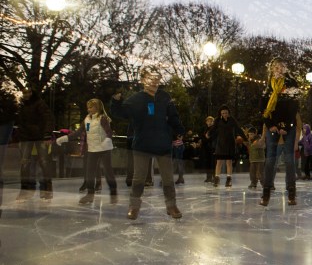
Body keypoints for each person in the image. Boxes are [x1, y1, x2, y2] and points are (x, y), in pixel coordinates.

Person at [111, 66, 185, 219]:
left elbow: (173, 116)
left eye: (157, 79)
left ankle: (172, 206)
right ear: (143, 80)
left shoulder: (165, 97)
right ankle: (134, 207)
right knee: (138, 179)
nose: (154, 82)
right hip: (142, 145)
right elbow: (121, 113)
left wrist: (179, 131)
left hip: (163, 144)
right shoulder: (136, 99)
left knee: (168, 179)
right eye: (151, 79)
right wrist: (116, 101)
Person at [56, 98, 118, 204]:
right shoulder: (87, 119)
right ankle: (90, 194)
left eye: (91, 107)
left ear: (97, 107)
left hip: (104, 149)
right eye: (88, 107)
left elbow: (109, 133)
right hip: (92, 149)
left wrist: (106, 141)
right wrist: (64, 139)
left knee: (108, 171)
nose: (88, 109)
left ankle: (113, 193)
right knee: (89, 172)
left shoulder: (102, 118)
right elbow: (78, 132)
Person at [259, 58, 302, 206]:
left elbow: (294, 108)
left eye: (281, 66)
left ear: (285, 68)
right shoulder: (268, 87)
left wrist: (287, 126)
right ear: (271, 69)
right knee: (270, 160)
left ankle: (291, 192)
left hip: (288, 127)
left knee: (290, 161)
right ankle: (266, 192)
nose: (278, 69)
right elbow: (263, 109)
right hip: (273, 127)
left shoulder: (292, 84)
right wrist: (271, 125)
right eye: (275, 66)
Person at [16, 88, 54, 201]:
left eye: (28, 92)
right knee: (25, 163)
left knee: (44, 163)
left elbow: (48, 118)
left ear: (33, 93)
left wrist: (47, 135)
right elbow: (21, 122)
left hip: (40, 137)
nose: (26, 94)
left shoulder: (40, 104)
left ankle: (47, 189)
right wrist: (21, 137)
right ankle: (25, 189)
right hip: (27, 138)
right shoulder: (23, 106)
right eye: (24, 92)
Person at [208, 105, 246, 187]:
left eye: (226, 113)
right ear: (220, 113)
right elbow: (213, 128)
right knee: (219, 162)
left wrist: (245, 138)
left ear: (228, 113)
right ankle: (217, 179)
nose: (224, 114)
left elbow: (238, 129)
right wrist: (209, 133)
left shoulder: (232, 120)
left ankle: (229, 179)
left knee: (229, 162)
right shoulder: (218, 120)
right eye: (223, 113)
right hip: (221, 143)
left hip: (230, 143)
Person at [200, 116, 216, 183]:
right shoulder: (205, 129)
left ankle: (214, 177)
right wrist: (206, 138)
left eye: (211, 121)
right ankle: (208, 177)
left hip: (212, 148)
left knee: (213, 163)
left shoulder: (214, 129)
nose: (209, 122)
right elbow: (203, 138)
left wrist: (207, 138)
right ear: (206, 122)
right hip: (206, 148)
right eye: (208, 121)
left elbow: (213, 138)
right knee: (208, 163)